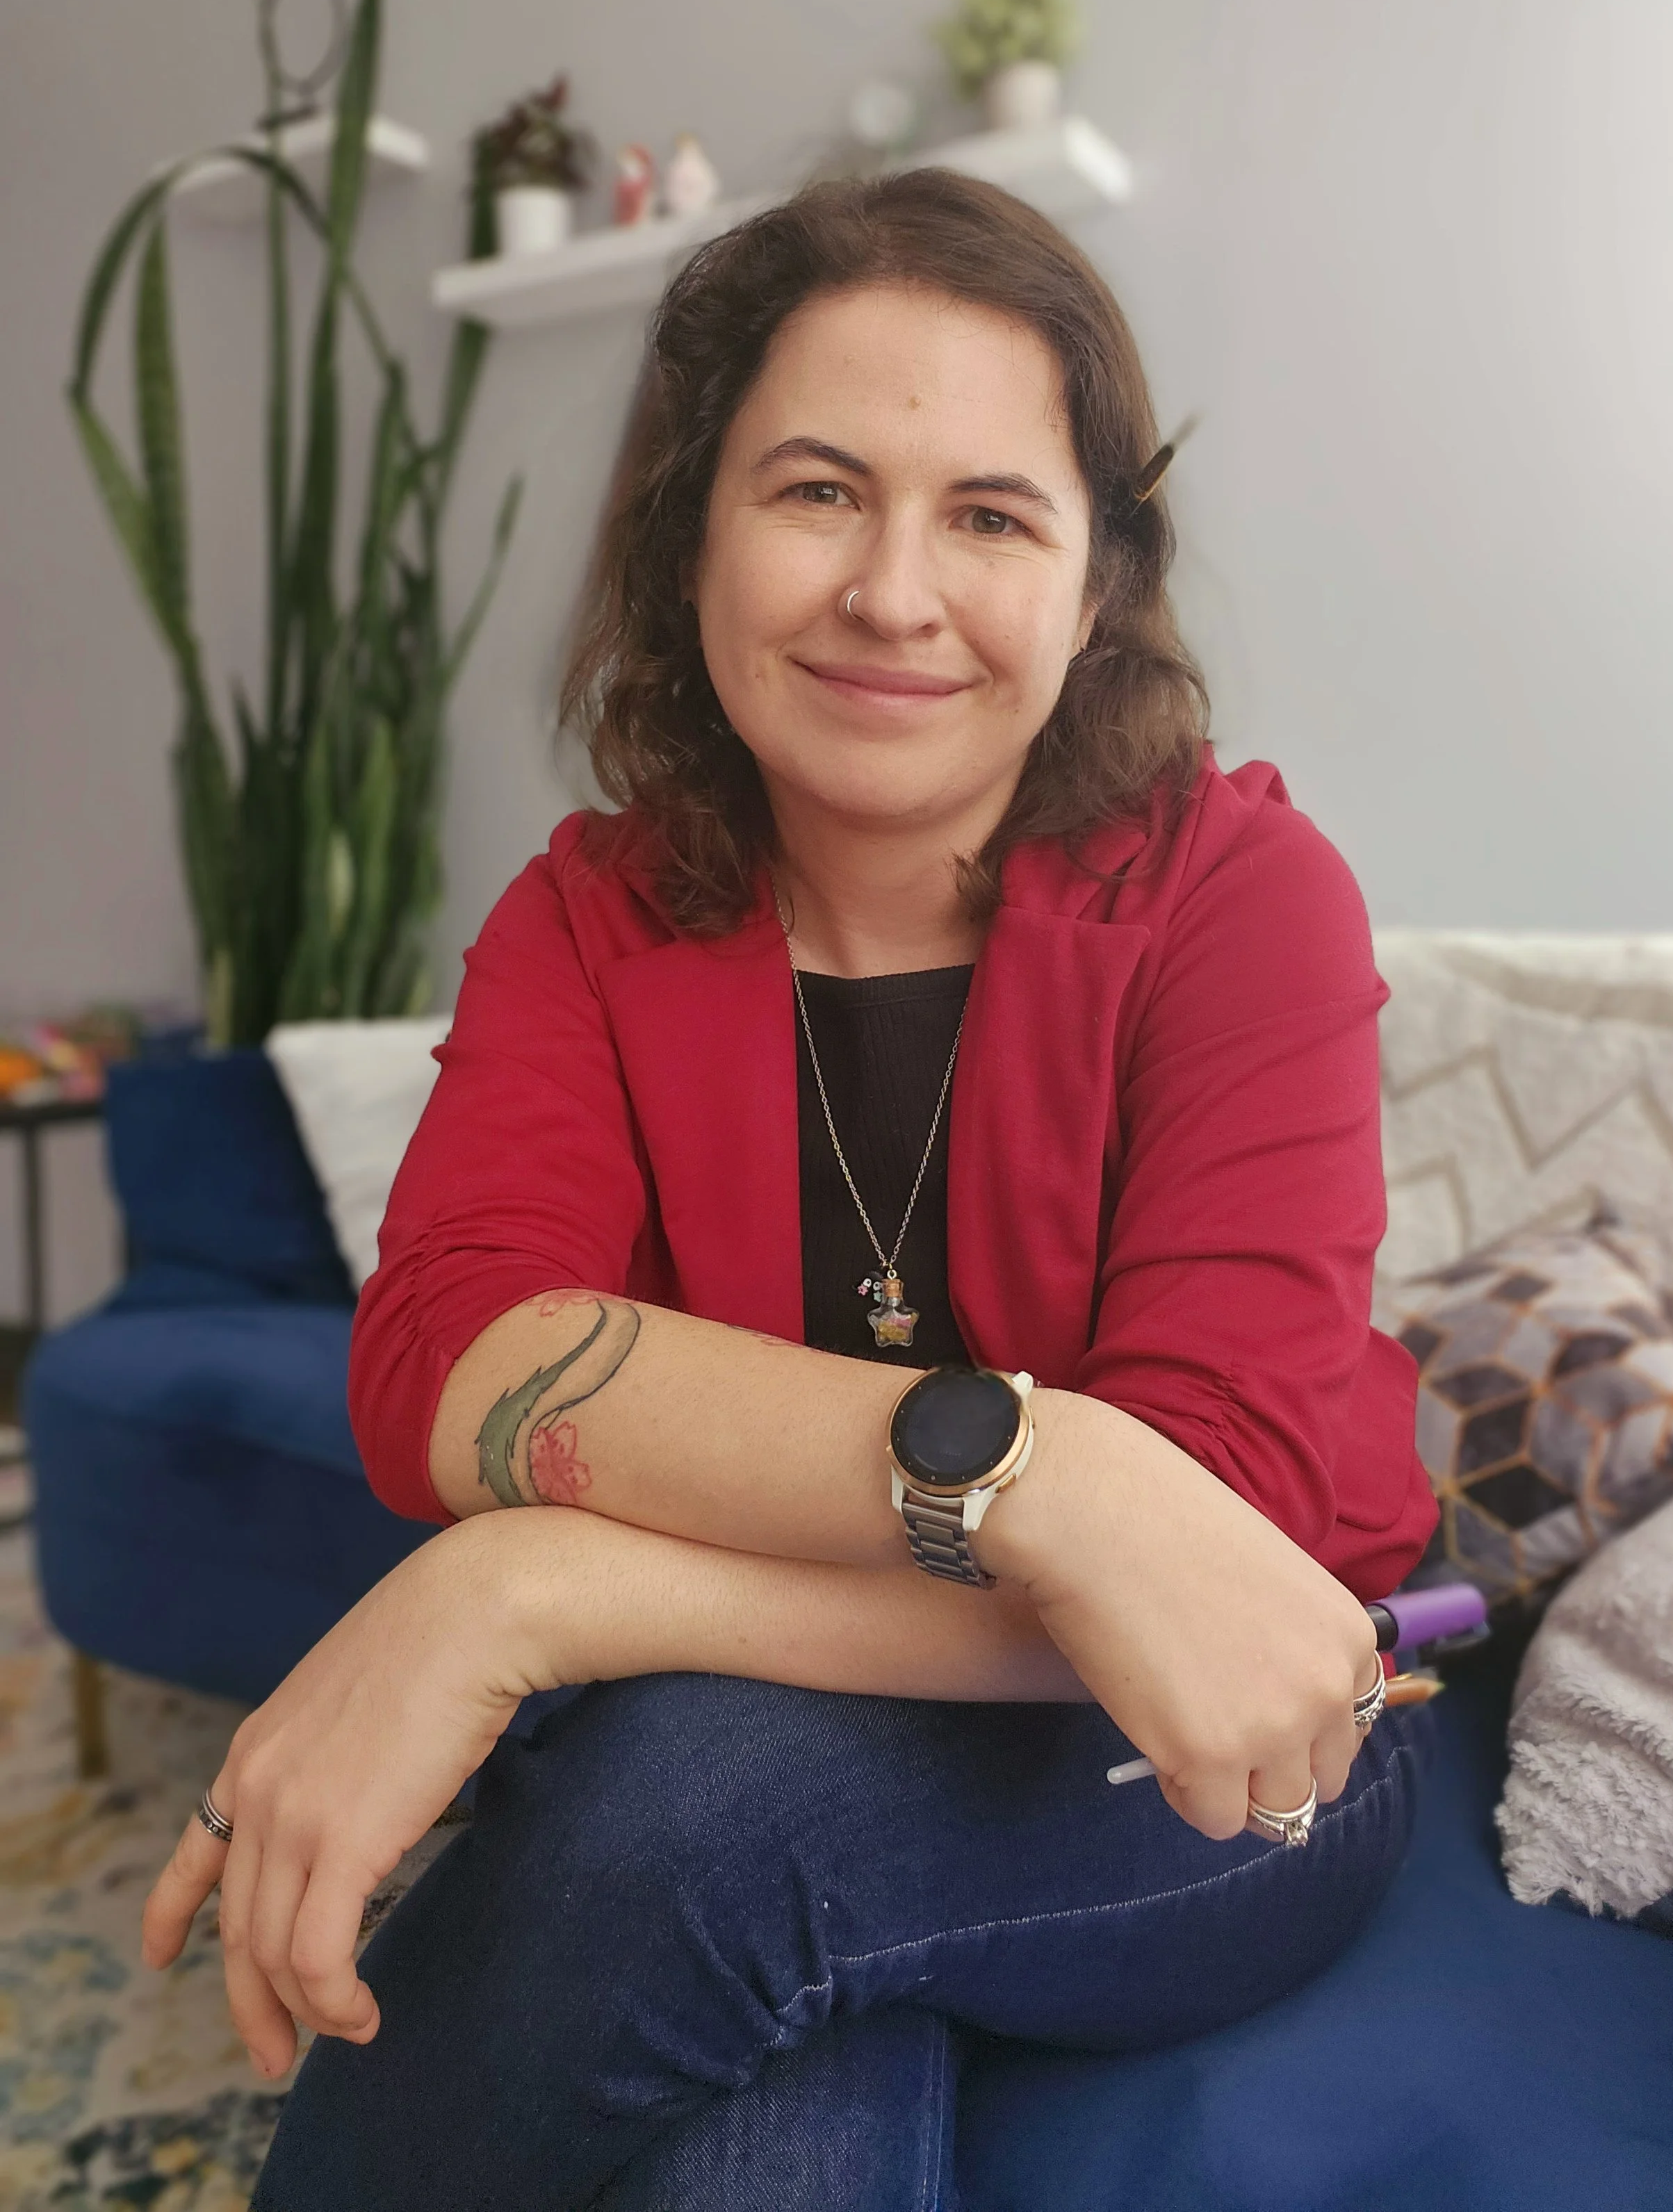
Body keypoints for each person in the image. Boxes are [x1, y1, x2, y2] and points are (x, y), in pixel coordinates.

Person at [145, 168, 1437, 2211]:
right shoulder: (583, 923)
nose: (893, 593)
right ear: (690, 546)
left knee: (687, 1808)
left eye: (991, 516)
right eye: (817, 491)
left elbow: (1223, 1536)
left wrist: (540, 1585)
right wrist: (1054, 1479)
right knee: (760, 2073)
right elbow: (444, 1357)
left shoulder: (1238, 895)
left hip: (1210, 1766)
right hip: (761, 1753)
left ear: (1096, 580)